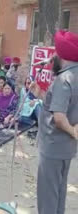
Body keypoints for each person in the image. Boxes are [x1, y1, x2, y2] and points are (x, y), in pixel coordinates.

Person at [37, 30, 78, 214]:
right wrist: (39, 93)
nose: (52, 56)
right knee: (58, 195)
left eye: (56, 52)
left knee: (48, 200)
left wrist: (73, 131)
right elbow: (61, 106)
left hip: (53, 147)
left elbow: (59, 119)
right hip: (66, 149)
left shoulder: (63, 79)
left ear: (62, 55)